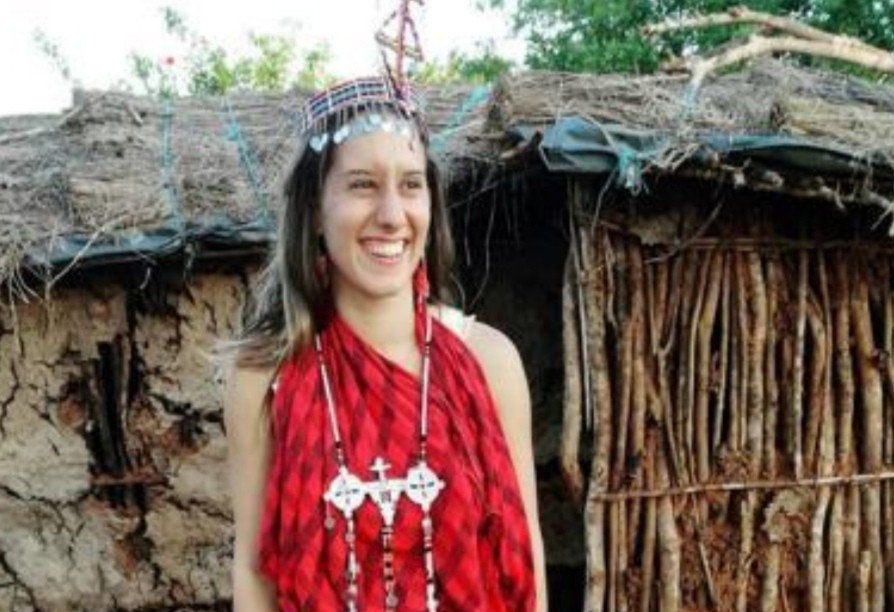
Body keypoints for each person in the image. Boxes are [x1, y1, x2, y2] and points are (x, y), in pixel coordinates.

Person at [224, 76, 546, 611]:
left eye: (411, 185)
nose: (393, 216)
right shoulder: (265, 378)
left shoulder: (491, 364)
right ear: (314, 209)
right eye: (362, 185)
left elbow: (525, 562)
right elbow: (254, 575)